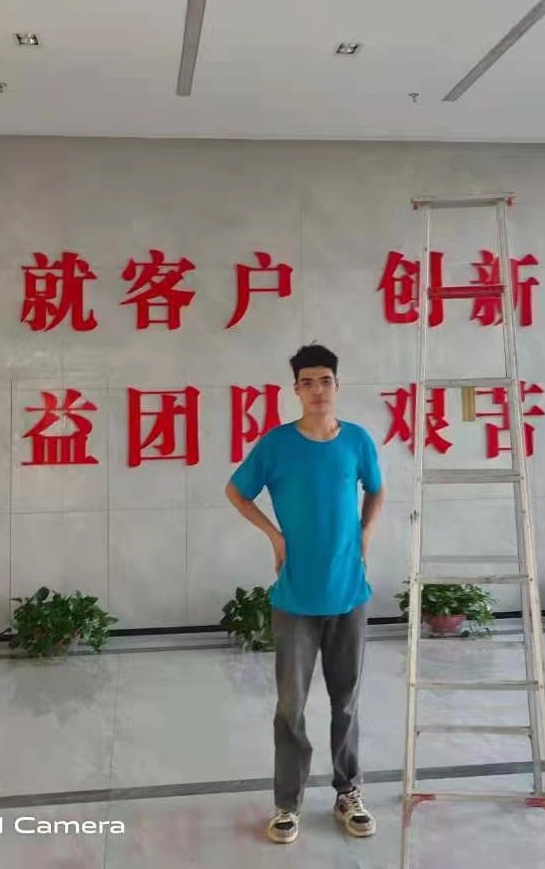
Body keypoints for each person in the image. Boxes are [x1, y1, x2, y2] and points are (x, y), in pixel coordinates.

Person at [224, 343, 386, 845]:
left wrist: (365, 533)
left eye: (325, 381)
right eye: (308, 382)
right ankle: (287, 804)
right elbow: (236, 490)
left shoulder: (356, 440)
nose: (318, 390)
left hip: (349, 594)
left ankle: (348, 791)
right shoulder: (276, 445)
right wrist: (275, 537)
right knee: (290, 707)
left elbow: (376, 488)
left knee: (347, 701)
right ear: (295, 389)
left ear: (337, 385)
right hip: (295, 598)